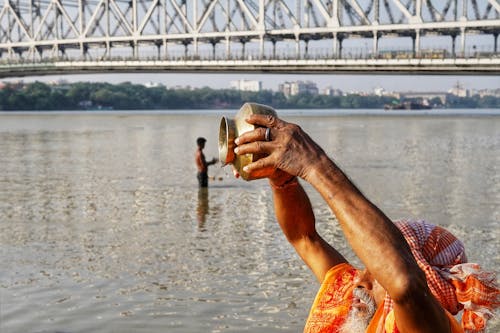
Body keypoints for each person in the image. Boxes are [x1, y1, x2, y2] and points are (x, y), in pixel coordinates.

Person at [231, 114, 499, 333]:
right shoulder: (351, 300)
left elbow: (404, 285)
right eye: (365, 269)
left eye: (374, 274)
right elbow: (304, 237)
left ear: (427, 280)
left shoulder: (434, 325)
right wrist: (282, 180)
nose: (359, 281)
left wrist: (314, 163)